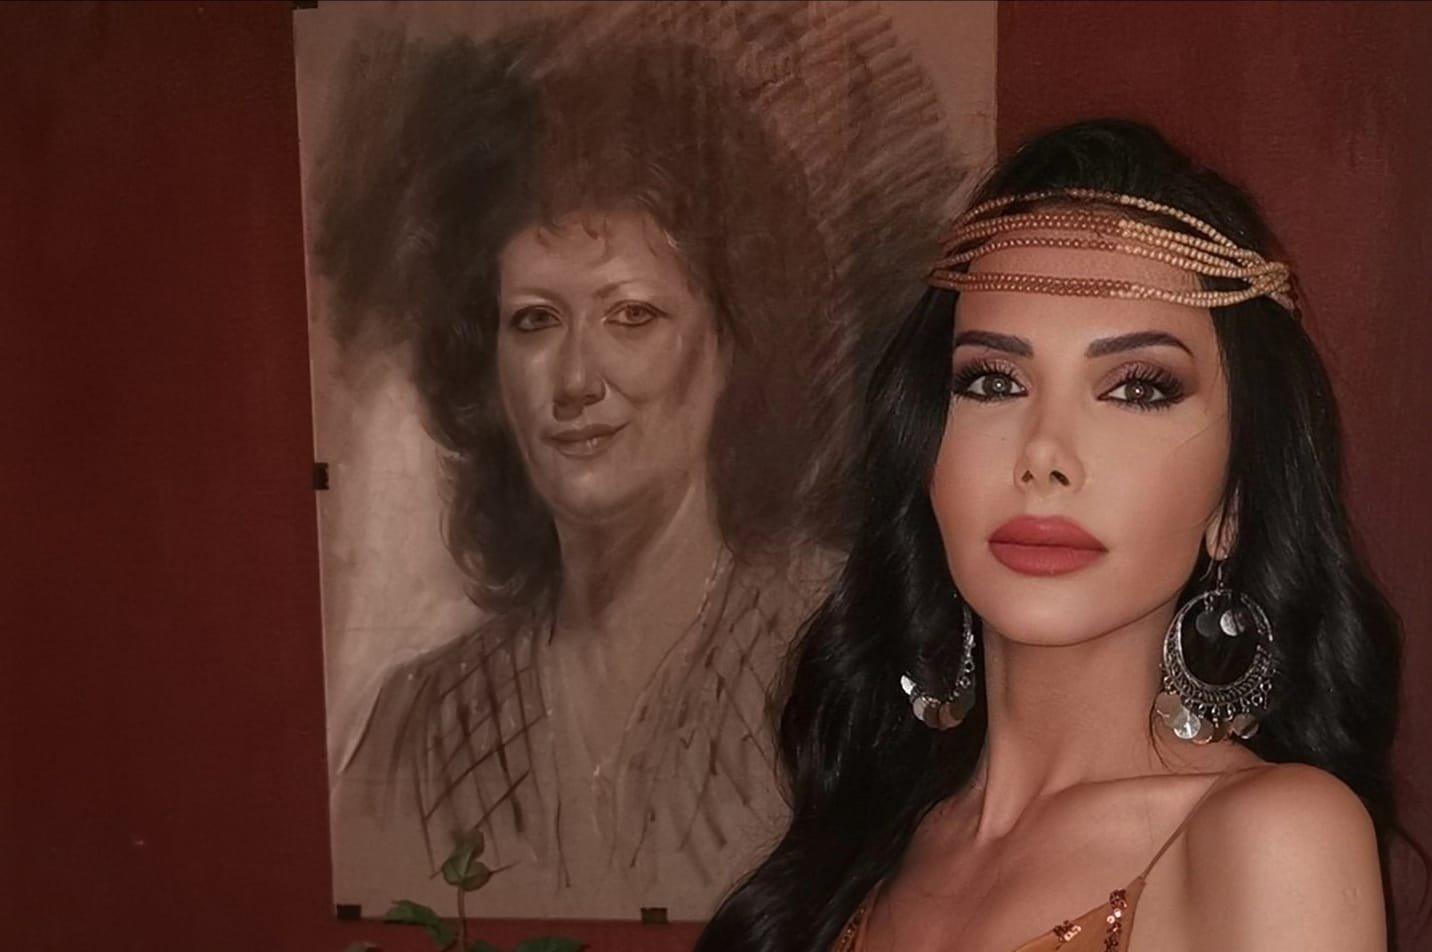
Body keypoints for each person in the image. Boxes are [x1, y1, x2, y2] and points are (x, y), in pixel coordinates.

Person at [696, 118, 1403, 952]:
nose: (1044, 455)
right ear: (927, 456)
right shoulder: (865, 843)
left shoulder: (1272, 840)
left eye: (1137, 389)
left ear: (1236, 501)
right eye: (993, 382)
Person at [313, 28, 856, 918]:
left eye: (631, 316)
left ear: (730, 344)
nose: (574, 380)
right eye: (534, 321)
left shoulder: (844, 646)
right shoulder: (418, 724)